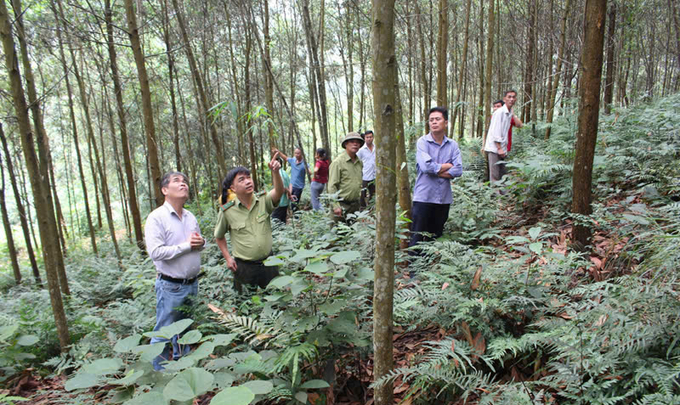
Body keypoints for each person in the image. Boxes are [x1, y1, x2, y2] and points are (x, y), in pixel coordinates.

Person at [145, 171, 205, 371]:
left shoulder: (190, 217)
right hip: (171, 286)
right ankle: (158, 375)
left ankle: (184, 371)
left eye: (185, 181)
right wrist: (187, 246)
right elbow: (156, 252)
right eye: (177, 181)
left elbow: (197, 243)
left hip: (192, 283)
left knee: (186, 331)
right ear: (164, 190)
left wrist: (200, 242)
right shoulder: (156, 218)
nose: (183, 184)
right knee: (163, 332)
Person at [214, 154, 284, 293]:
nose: (247, 181)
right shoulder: (227, 211)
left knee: (275, 299)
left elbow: (279, 191)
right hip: (244, 267)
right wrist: (228, 258)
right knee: (246, 305)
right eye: (241, 179)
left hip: (269, 263)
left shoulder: (263, 200)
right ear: (233, 188)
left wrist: (275, 172)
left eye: (248, 178)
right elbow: (219, 236)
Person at [409, 107, 463, 260]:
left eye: (437, 119)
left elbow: (458, 170)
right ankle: (414, 270)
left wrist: (436, 169)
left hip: (443, 198)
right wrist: (447, 166)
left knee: (437, 235)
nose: (434, 122)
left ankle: (432, 269)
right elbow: (426, 167)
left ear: (445, 122)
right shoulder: (422, 142)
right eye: (431, 120)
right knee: (417, 236)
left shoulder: (453, 145)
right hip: (423, 197)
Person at [328, 132, 364, 223]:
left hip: (355, 206)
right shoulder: (338, 162)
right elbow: (332, 186)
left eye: (357, 142)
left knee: (352, 234)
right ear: (345, 144)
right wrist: (336, 206)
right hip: (341, 205)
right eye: (352, 141)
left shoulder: (359, 162)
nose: (355, 144)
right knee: (338, 235)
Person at [484, 90, 519, 183]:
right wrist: (499, 148)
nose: (511, 99)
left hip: (502, 149)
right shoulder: (499, 113)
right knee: (495, 176)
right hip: (495, 149)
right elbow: (496, 131)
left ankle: (504, 196)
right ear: (505, 99)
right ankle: (496, 197)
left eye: (513, 97)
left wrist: (503, 149)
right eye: (509, 97)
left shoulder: (509, 113)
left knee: (502, 175)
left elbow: (518, 125)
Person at [357, 130, 376, 208]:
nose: (369, 139)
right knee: (363, 193)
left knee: (373, 193)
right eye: (367, 137)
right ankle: (362, 208)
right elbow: (356, 161)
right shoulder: (361, 150)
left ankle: (372, 209)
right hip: (365, 175)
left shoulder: (376, 148)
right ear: (364, 138)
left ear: (373, 137)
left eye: (370, 137)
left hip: (375, 175)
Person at [272, 158, 292, 224]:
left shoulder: (279, 174)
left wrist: (288, 193)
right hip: (284, 202)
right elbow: (290, 185)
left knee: (275, 222)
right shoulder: (284, 173)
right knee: (282, 221)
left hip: (280, 202)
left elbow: (282, 188)